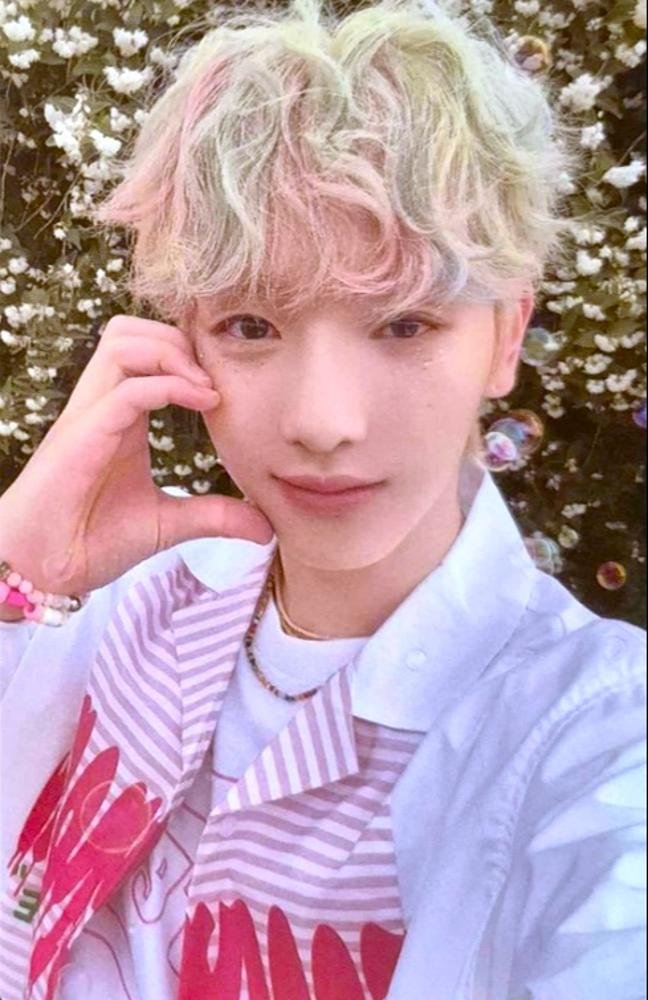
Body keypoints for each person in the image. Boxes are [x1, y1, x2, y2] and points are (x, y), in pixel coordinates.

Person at [0, 0, 645, 997]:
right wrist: (16, 569)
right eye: (252, 325)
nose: (322, 422)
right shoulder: (121, 601)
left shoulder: (590, 738)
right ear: (182, 337)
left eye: (404, 324)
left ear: (507, 336)